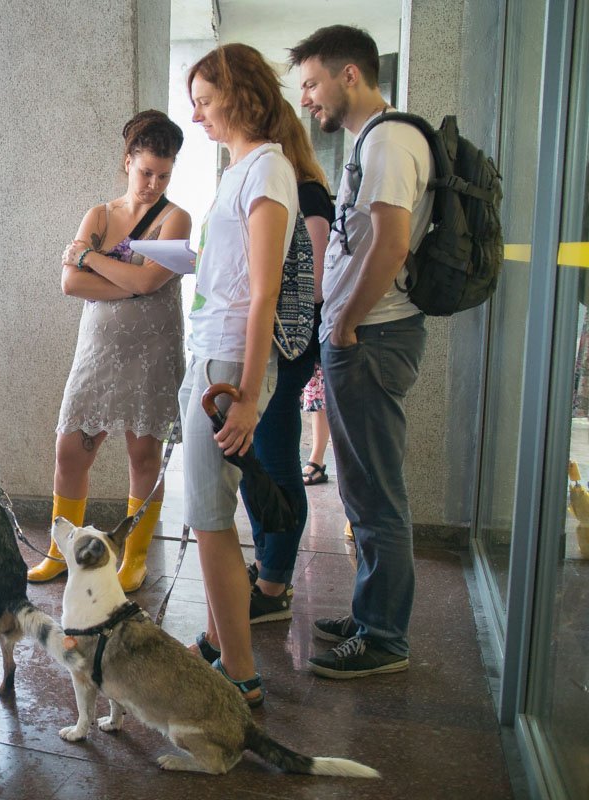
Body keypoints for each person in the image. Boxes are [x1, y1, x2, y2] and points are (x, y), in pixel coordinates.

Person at [290, 24, 432, 679]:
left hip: (372, 337)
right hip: (360, 337)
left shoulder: (392, 139)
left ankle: (385, 638)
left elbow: (392, 242)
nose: (308, 99)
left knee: (378, 496)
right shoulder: (368, 142)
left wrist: (344, 322)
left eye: (313, 83)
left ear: (351, 75)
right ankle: (370, 612)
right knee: (360, 490)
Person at [175, 45, 299, 708]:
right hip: (212, 359)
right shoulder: (243, 168)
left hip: (228, 365)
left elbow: (263, 293)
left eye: (203, 100)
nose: (196, 116)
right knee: (208, 514)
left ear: (236, 92)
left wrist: (248, 395)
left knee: (210, 518)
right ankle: (225, 645)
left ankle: (241, 673)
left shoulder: (268, 169)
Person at [26, 110, 191, 591]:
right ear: (127, 162)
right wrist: (128, 282)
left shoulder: (174, 217)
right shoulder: (99, 214)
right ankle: (60, 550)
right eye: (146, 172)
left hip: (152, 351)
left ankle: (134, 557)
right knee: (70, 452)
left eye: (163, 174)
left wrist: (91, 258)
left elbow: (148, 280)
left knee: (143, 455)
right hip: (98, 351)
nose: (153, 183)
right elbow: (70, 282)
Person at [237, 100, 335, 624]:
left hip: (287, 343)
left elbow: (314, 285)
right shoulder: (288, 189)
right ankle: (268, 567)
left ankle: (274, 584)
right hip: (277, 342)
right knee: (263, 458)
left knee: (275, 460)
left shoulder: (306, 193)